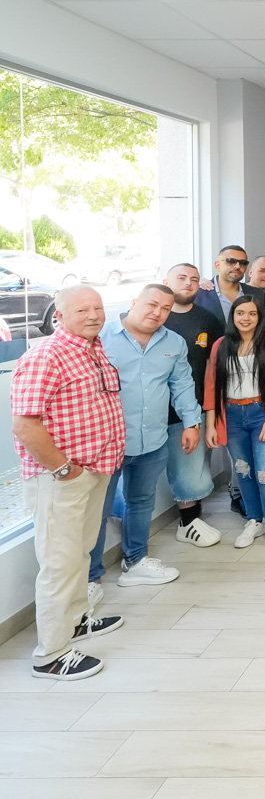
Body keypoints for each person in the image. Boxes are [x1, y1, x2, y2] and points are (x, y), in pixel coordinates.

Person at [12, 286, 126, 680]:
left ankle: (76, 620)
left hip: (94, 471)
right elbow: (25, 424)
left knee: (79, 552)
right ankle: (52, 654)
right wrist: (64, 469)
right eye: (82, 309)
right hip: (61, 478)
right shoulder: (46, 355)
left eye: (98, 307)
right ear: (60, 315)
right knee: (59, 564)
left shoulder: (92, 349)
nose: (94, 315)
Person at [88, 284, 200, 592]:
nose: (158, 313)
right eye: (152, 305)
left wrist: (192, 422)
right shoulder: (100, 338)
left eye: (165, 309)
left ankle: (135, 562)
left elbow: (181, 384)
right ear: (134, 302)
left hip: (152, 439)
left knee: (140, 502)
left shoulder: (173, 342)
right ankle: (90, 578)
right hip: (106, 443)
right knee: (96, 510)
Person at [205, 296, 265, 553]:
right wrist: (211, 425)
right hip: (231, 415)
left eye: (252, 314)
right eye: (240, 313)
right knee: (243, 471)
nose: (246, 318)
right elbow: (211, 388)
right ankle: (254, 521)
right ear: (233, 316)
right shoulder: (221, 346)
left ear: (259, 317)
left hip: (262, 413)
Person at [161, 263, 224, 547]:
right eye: (181, 278)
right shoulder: (154, 317)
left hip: (191, 409)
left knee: (192, 471)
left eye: (194, 280)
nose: (188, 283)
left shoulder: (207, 320)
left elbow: (216, 363)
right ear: (166, 281)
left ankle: (188, 523)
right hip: (150, 411)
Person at [194, 245, 262, 326]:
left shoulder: (257, 294)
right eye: (230, 261)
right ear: (217, 265)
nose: (237, 266)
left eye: (243, 263)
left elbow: (264, 328)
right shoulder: (198, 293)